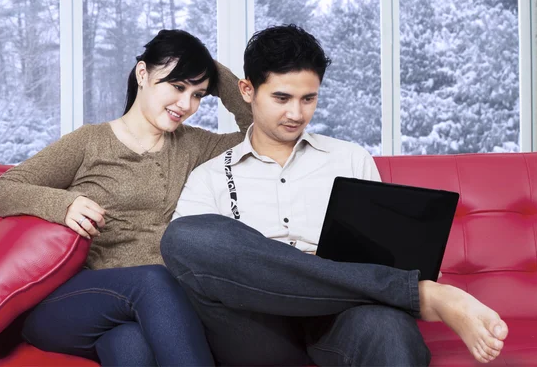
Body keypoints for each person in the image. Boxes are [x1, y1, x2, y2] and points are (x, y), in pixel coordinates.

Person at [161, 25, 509, 366]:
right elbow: (193, 269)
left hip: (340, 318)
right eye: (281, 98)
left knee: (389, 329)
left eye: (308, 98)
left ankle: (404, 291)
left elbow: (382, 252)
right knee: (185, 237)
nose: (296, 114)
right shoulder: (210, 175)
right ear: (248, 90)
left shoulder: (350, 159)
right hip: (254, 326)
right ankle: (415, 293)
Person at [0, 29, 252, 366]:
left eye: (198, 95)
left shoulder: (193, 146)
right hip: (71, 305)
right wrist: (62, 205)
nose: (187, 105)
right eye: (178, 86)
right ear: (143, 74)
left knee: (129, 344)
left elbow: (256, 133)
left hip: (141, 315)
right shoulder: (89, 142)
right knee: (153, 279)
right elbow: (0, 189)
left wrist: (210, 70)